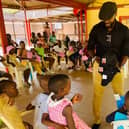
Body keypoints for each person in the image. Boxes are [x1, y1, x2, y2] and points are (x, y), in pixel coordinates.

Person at [87, 2, 129, 129]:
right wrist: (94, 57)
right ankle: (97, 120)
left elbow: (126, 52)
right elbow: (89, 47)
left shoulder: (124, 30)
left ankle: (123, 116)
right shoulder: (96, 29)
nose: (106, 21)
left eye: (108, 18)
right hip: (100, 66)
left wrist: (119, 66)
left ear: (115, 14)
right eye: (103, 19)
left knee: (119, 94)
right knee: (97, 94)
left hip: (117, 67)